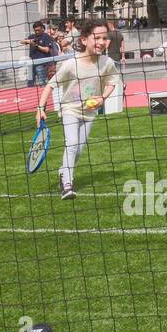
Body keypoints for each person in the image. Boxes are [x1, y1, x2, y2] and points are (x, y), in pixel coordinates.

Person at [36, 19, 121, 200]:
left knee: (79, 150)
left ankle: (62, 172)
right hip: (70, 110)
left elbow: (112, 82)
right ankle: (67, 184)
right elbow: (50, 86)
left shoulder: (107, 63)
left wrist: (102, 97)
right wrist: (40, 108)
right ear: (84, 40)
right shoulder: (70, 65)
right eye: (96, 38)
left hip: (90, 113)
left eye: (104, 38)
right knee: (72, 144)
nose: (101, 42)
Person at [23, 20, 58, 88]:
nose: (37, 32)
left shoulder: (46, 36)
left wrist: (36, 45)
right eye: (35, 30)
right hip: (31, 62)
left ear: (42, 28)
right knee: (30, 83)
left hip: (41, 63)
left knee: (42, 82)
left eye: (38, 30)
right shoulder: (32, 36)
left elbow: (47, 50)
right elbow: (22, 41)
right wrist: (29, 41)